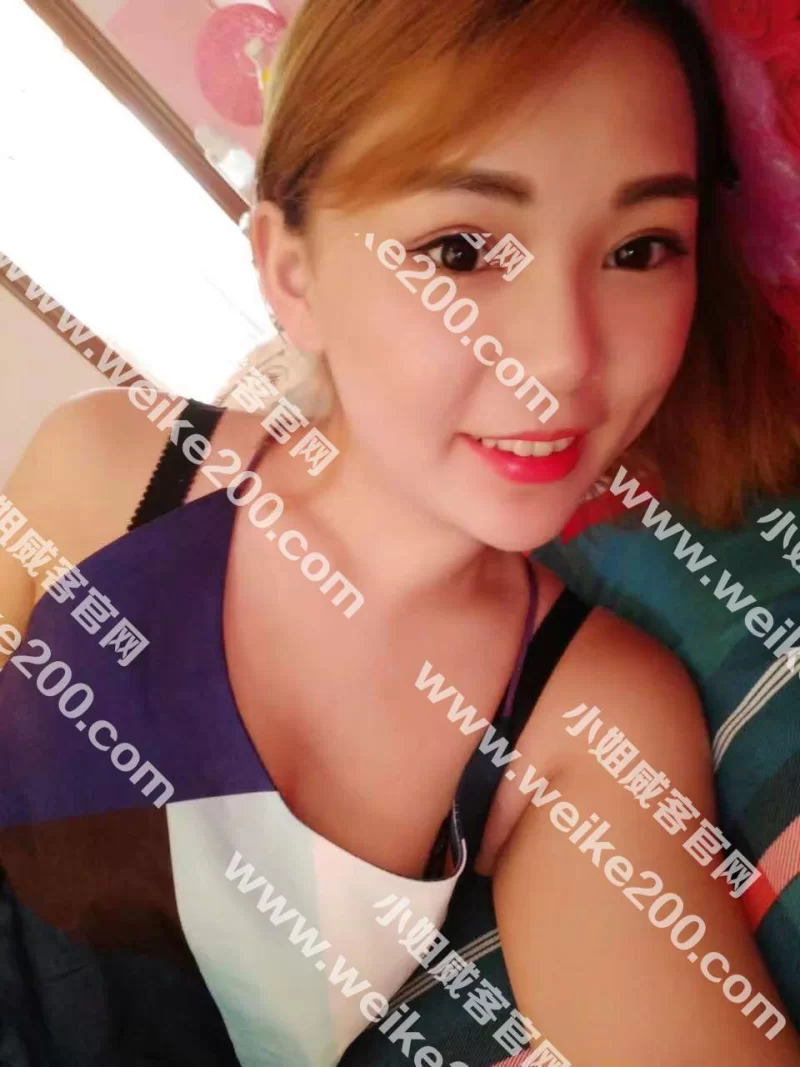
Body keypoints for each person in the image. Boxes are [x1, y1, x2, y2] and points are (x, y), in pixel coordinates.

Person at [1, 0, 800, 1064]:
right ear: (291, 272)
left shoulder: (587, 717)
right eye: (461, 248)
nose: (564, 356)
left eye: (639, 247)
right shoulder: (105, 468)